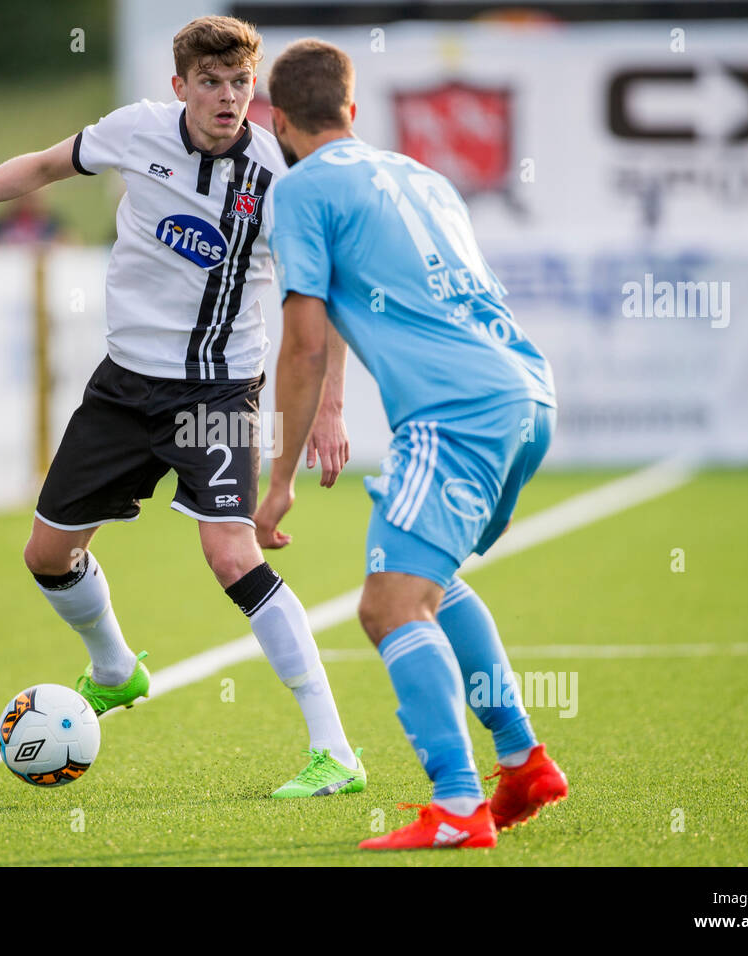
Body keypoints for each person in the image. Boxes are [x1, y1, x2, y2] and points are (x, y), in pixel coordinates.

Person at [0, 16, 364, 798]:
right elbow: (45, 165)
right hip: (123, 386)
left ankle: (334, 751)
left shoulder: (281, 176)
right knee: (46, 555)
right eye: (210, 84)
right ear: (179, 87)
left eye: (240, 85)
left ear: (257, 93)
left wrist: (331, 409)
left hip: (216, 389)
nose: (227, 99)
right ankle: (115, 668)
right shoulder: (135, 131)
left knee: (232, 555)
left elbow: (327, 295)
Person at [257, 38, 569, 848]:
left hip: (455, 413)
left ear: (278, 120)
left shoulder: (298, 192)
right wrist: (333, 406)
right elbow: (393, 297)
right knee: (431, 584)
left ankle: (460, 806)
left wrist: (278, 476)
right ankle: (522, 761)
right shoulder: (421, 176)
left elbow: (303, 340)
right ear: (353, 113)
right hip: (527, 393)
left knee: (389, 606)